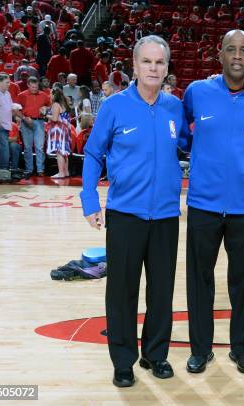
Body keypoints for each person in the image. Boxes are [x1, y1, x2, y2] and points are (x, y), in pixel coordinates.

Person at [80, 35, 188, 388]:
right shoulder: (114, 106)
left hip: (166, 216)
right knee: (123, 291)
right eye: (147, 62)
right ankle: (123, 360)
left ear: (167, 67)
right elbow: (94, 154)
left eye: (159, 62)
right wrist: (89, 201)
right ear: (135, 65)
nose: (153, 68)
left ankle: (155, 355)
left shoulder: (175, 108)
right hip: (125, 214)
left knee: (161, 290)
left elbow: (189, 146)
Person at [182, 29, 244, 375]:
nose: (237, 55)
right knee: (199, 280)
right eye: (231, 49)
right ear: (219, 54)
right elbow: (184, 134)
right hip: (204, 204)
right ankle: (200, 350)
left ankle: (241, 349)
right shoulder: (197, 92)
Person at [17, 76, 51, 177]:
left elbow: (49, 107)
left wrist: (46, 109)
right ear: (28, 85)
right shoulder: (21, 95)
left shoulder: (44, 95)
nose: (35, 89)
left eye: (36, 87)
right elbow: (15, 110)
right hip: (26, 122)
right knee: (27, 147)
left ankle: (40, 169)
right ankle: (29, 169)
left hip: (39, 122)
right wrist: (24, 118)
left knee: (39, 147)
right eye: (32, 87)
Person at [45, 88, 72, 178]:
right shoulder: (64, 104)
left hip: (58, 131)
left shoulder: (56, 104)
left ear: (54, 95)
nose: (50, 96)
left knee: (59, 151)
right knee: (64, 152)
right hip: (65, 130)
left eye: (51, 94)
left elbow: (55, 119)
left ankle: (61, 173)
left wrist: (46, 114)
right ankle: (66, 172)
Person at [0, 74, 14, 170]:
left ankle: (2, 169)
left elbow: (10, 107)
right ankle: (4, 169)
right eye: (7, 82)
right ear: (0, 82)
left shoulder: (8, 93)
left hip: (7, 125)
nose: (9, 84)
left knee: (2, 148)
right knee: (4, 148)